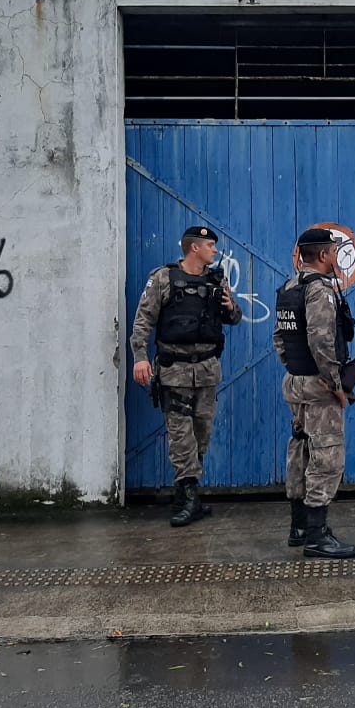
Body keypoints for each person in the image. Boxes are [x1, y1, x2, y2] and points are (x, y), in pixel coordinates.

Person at [131, 225, 243, 527]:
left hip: (207, 371)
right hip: (175, 371)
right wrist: (139, 358)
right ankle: (190, 497)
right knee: (181, 437)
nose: (215, 251)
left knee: (201, 435)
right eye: (211, 245)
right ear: (195, 248)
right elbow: (143, 321)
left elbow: (234, 318)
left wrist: (231, 306)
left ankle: (185, 494)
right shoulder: (163, 279)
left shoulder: (216, 280)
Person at [273, 227, 355, 559]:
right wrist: (336, 387)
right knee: (326, 457)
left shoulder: (289, 288)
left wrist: (296, 369)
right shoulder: (318, 291)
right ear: (323, 255)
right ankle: (317, 535)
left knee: (301, 450)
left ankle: (298, 527)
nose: (337, 257)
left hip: (297, 382)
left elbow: (280, 340)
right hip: (320, 387)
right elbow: (322, 341)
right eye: (335, 251)